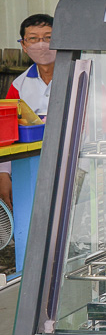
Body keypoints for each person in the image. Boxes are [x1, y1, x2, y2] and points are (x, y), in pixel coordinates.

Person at [0, 13, 56, 209]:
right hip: (30, 168)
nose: (41, 44)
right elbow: (6, 135)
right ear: (24, 45)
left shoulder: (81, 76)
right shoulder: (18, 86)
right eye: (33, 39)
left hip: (78, 165)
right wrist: (4, 174)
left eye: (48, 37)